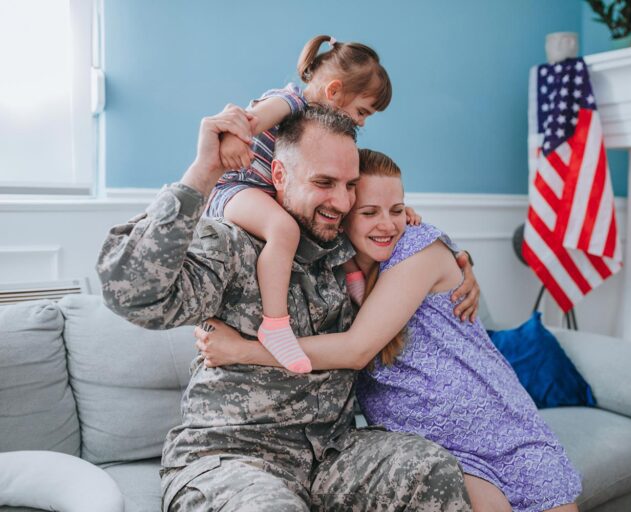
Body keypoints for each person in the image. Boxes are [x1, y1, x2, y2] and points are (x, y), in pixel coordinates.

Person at [97, 105, 480, 511]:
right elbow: (132, 293)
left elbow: (404, 236)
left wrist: (460, 261)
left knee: (430, 470)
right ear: (279, 176)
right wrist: (202, 173)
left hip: (332, 455)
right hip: (233, 458)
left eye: (350, 185)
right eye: (323, 182)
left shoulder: (351, 250)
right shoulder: (233, 245)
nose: (341, 200)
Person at [195, 149, 583, 512]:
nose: (387, 224)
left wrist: (243, 350)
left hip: (500, 433)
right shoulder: (334, 276)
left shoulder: (417, 245)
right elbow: (247, 196)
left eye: (397, 209)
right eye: (370, 212)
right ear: (343, 213)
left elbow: (355, 350)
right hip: (434, 452)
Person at [207, 35, 394, 374]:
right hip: (236, 188)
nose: (362, 122)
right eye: (362, 111)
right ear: (334, 91)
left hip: (263, 191)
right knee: (283, 228)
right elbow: (250, 122)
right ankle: (275, 323)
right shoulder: (290, 101)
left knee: (337, 216)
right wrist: (235, 140)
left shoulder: (324, 133)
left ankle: (353, 278)